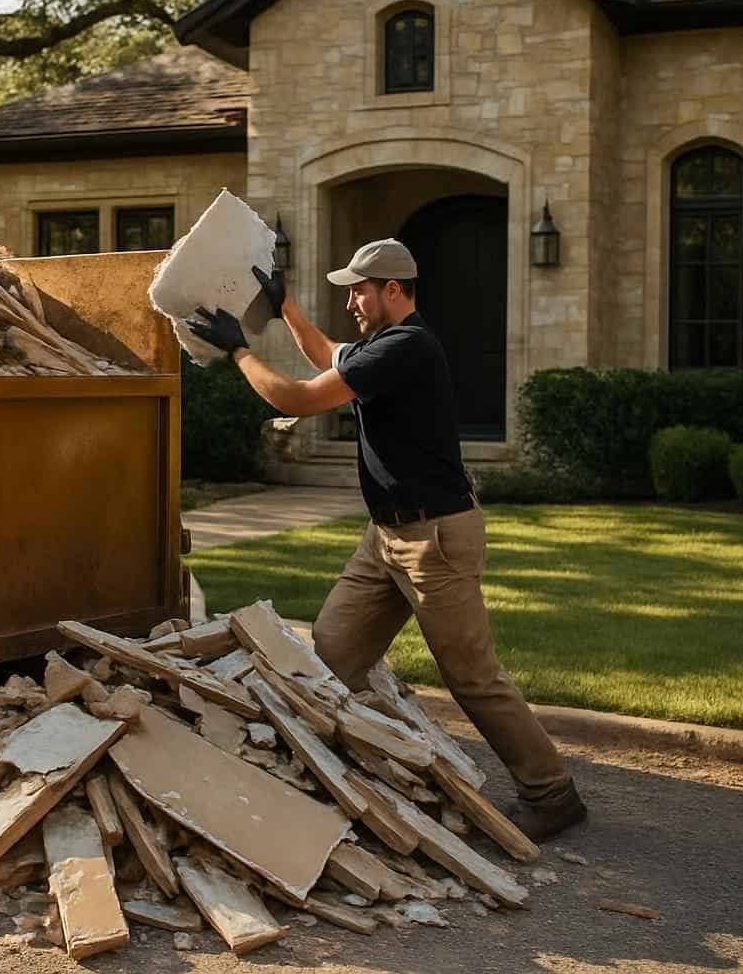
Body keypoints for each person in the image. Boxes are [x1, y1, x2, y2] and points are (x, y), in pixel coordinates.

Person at [184, 237, 586, 842]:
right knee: (331, 652)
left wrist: (238, 349)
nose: (351, 300)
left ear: (392, 290)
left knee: (471, 674)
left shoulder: (406, 347)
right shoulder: (381, 346)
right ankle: (354, 770)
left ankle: (552, 793)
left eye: (359, 290)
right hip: (387, 535)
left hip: (435, 538)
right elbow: (325, 352)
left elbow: (298, 396)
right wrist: (286, 304)